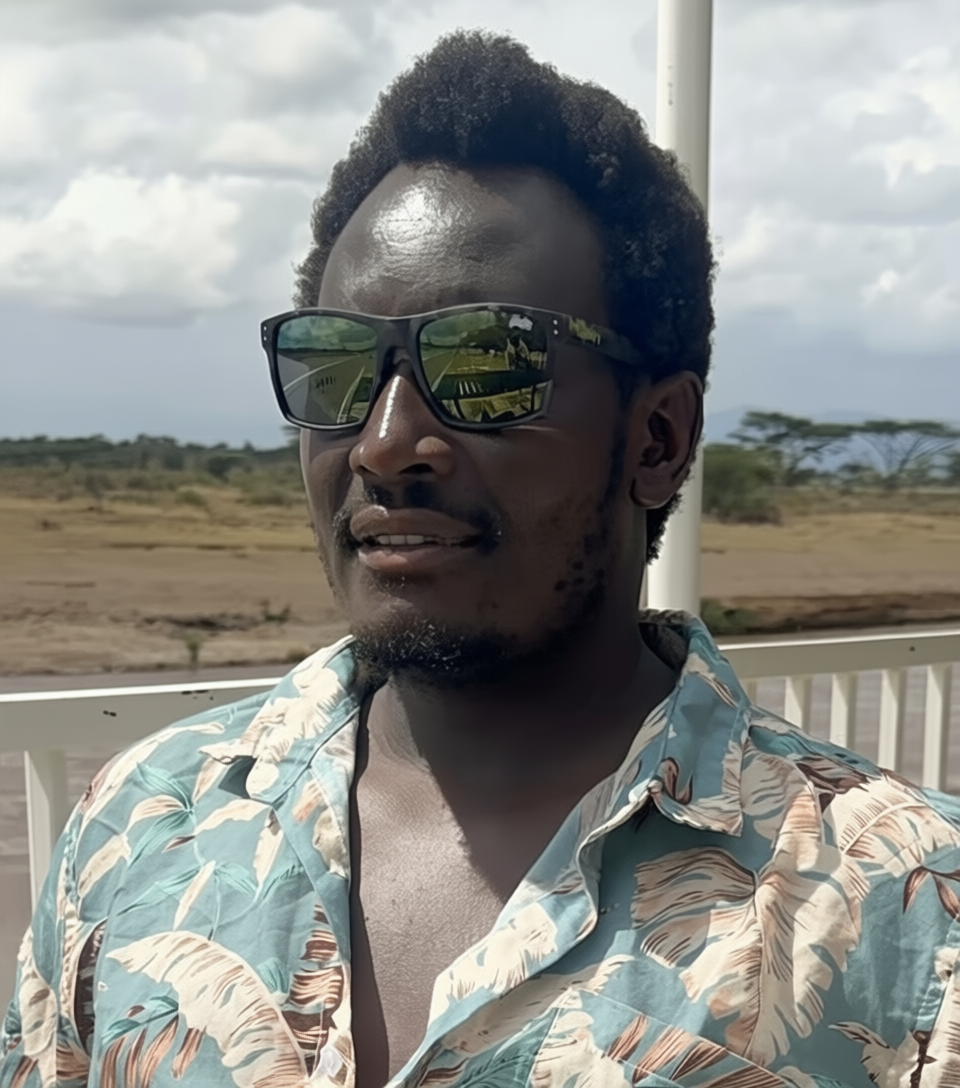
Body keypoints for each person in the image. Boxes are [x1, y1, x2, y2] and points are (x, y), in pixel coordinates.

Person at [3, 30, 960, 1088]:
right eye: (335, 366)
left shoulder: (908, 910)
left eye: (487, 366)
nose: (383, 443)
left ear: (657, 439)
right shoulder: (145, 819)